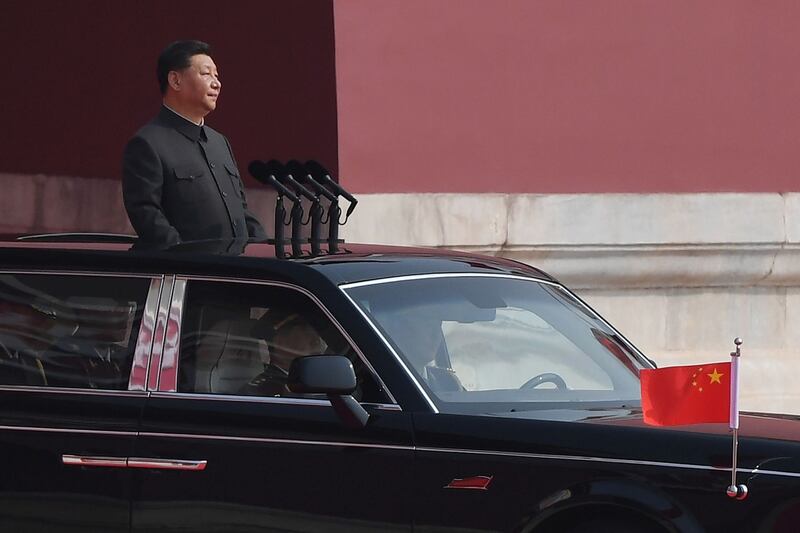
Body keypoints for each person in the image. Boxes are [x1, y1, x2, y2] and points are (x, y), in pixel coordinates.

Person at [122, 40, 266, 247]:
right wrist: (186, 260)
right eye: (206, 74)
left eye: (216, 75)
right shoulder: (147, 143)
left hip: (236, 271)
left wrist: (263, 250)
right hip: (192, 273)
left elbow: (241, 209)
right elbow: (146, 214)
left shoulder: (219, 142)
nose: (216, 83)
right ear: (175, 80)